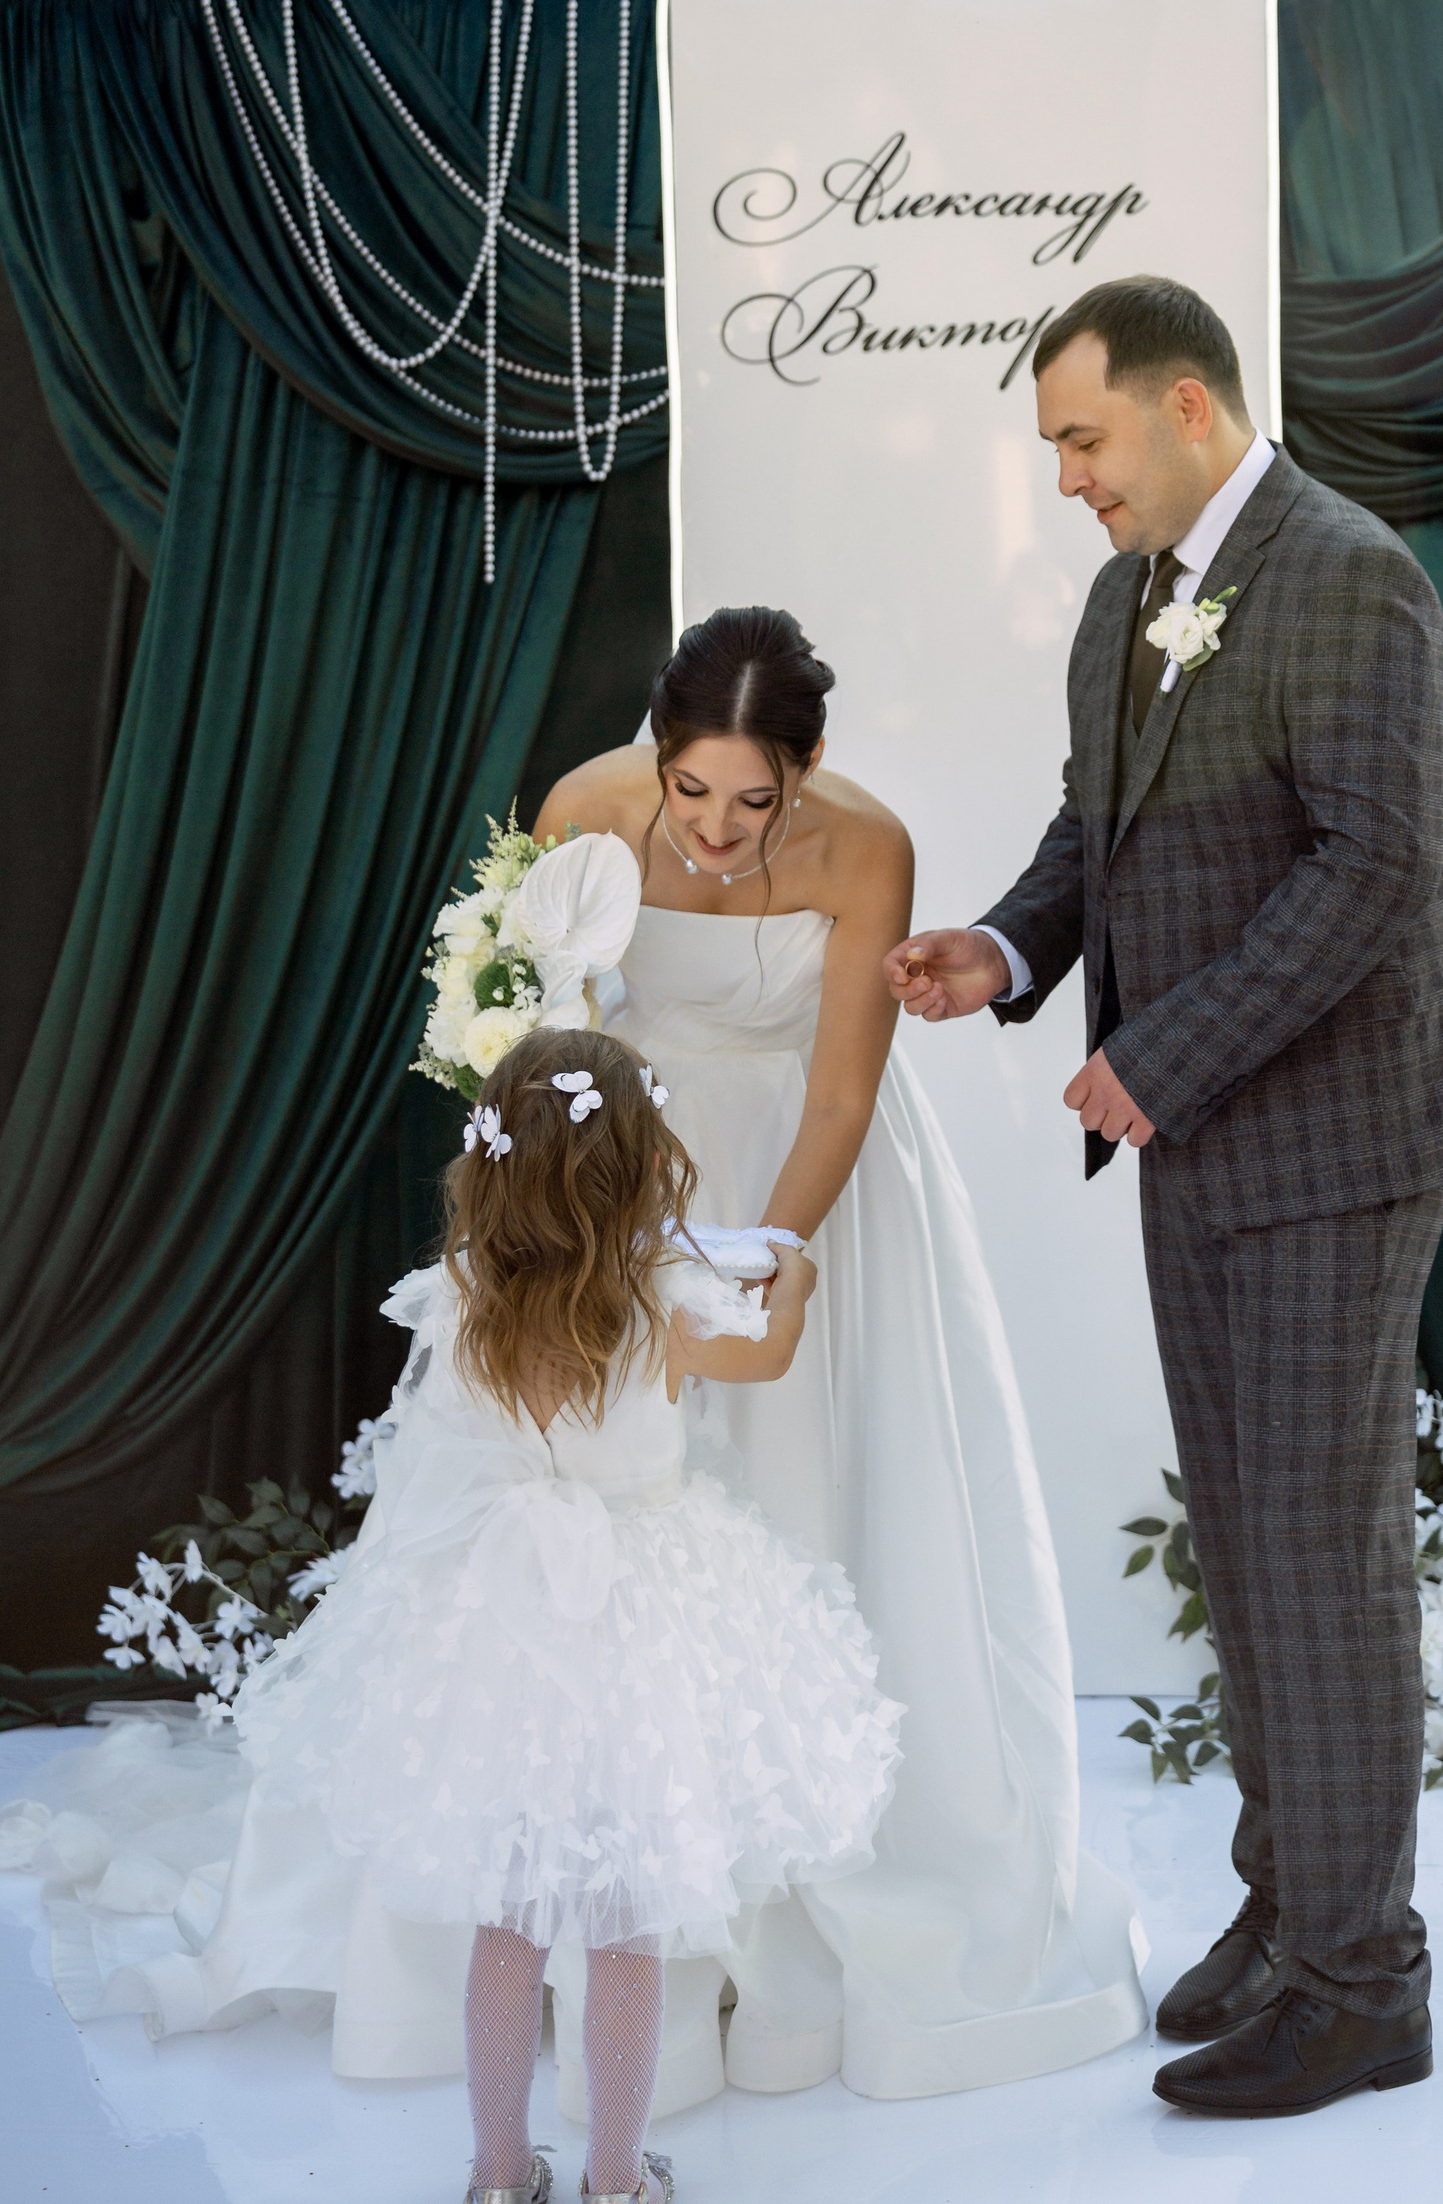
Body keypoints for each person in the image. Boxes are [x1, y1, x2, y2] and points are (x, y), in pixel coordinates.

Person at [887, 276, 1443, 2121]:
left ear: (1186, 407)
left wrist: (1162, 1050)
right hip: (1205, 1136)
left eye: (1083, 437)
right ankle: (1294, 1900)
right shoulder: (1124, 595)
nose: (1066, 477)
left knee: (1320, 1546)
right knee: (1246, 1542)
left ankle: (1366, 1984)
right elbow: (1101, 831)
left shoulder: (1355, 576)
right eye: (1054, 447)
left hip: (1339, 1141)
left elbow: (1374, 869)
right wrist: (1006, 950)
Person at [530, 607, 1146, 2103]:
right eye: (692, 790)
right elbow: (546, 1043)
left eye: (755, 799)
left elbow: (837, 1096)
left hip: (807, 1184)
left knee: (810, 1508)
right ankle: (645, 1898)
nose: (716, 828)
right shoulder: (581, 814)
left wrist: (761, 1259)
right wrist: (600, 1241)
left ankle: (818, 1878)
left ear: (805, 771)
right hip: (622, 1178)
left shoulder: (870, 848)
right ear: (656, 757)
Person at [229, 1025, 901, 2204]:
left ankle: (497, 2175)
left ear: (491, 1161)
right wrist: (791, 1274)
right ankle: (617, 2181)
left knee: (508, 1921)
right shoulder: (661, 1303)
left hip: (496, 1626)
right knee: (625, 1929)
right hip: (646, 1623)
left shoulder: (462, 1294)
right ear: (642, 1167)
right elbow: (772, 1353)